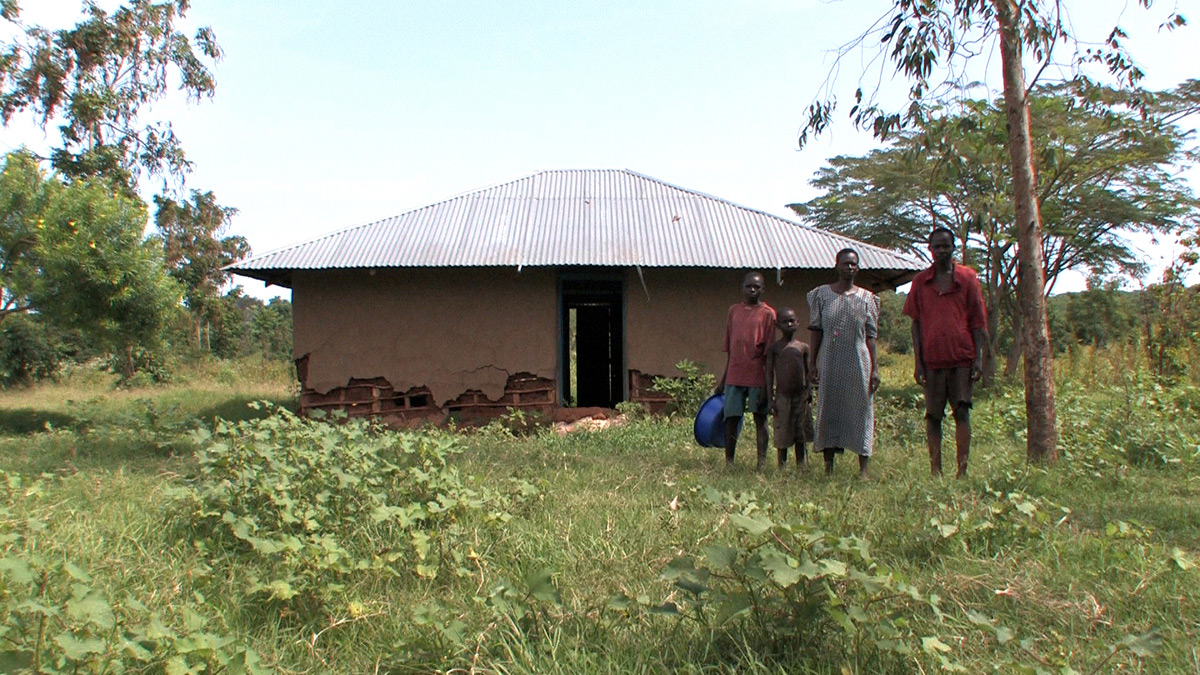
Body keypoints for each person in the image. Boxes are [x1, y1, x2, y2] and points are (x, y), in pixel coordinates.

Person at [903, 227, 988, 478]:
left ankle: (962, 471)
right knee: (933, 416)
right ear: (930, 249)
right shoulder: (921, 282)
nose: (941, 251)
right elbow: (916, 324)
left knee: (962, 411)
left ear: (954, 248)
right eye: (936, 247)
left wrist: (978, 360)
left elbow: (978, 322)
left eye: (945, 246)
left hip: (962, 357)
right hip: (932, 360)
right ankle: (935, 471)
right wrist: (918, 363)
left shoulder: (968, 278)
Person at [807, 248, 881, 478]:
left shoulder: (867, 299)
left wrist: (875, 369)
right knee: (829, 408)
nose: (850, 267)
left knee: (862, 409)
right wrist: (812, 363)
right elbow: (816, 332)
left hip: (859, 361)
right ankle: (829, 467)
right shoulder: (820, 295)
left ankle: (863, 469)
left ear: (858, 268)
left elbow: (871, 336)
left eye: (854, 264)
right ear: (836, 265)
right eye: (846, 263)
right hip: (831, 360)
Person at [715, 271, 777, 470]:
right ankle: (729, 462)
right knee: (731, 418)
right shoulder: (734, 311)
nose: (752, 290)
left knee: (760, 419)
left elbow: (769, 354)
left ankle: (761, 463)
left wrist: (768, 386)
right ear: (742, 288)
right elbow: (730, 350)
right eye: (749, 286)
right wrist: (723, 379)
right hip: (735, 374)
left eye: (756, 287)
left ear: (763, 290)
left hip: (757, 375)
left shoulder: (768, 314)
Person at [764, 307, 813, 470]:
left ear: (798, 323)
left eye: (792, 321)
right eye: (785, 322)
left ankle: (801, 465)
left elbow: (808, 372)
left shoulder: (803, 347)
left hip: (801, 396)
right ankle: (782, 466)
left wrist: (810, 391)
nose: (789, 324)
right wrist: (770, 398)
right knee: (782, 432)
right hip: (782, 397)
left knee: (801, 433)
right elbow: (769, 374)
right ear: (778, 325)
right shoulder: (774, 349)